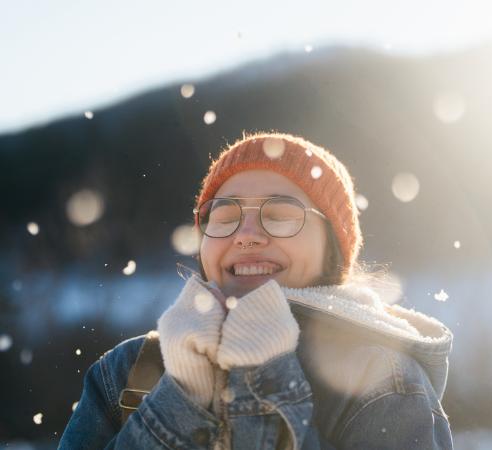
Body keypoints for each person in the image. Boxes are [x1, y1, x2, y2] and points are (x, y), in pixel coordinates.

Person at [58, 132, 454, 449]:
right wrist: (182, 396)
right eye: (226, 216)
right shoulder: (128, 369)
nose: (247, 235)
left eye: (281, 215)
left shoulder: (381, 375)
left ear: (331, 248)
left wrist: (263, 382)